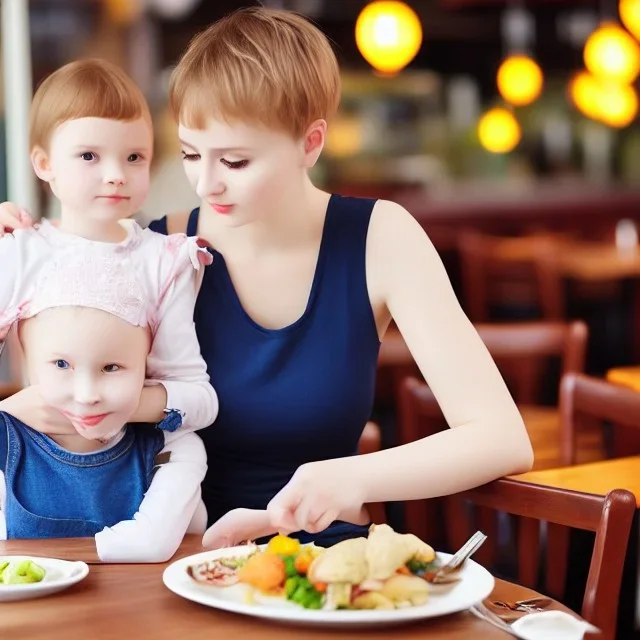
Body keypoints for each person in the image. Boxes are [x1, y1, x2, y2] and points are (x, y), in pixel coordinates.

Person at [0, 8, 533, 548]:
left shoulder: (379, 238)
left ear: (310, 143)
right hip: (172, 560)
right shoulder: (154, 257)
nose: (206, 184)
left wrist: (342, 477)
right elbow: (64, 396)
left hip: (322, 561)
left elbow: (500, 438)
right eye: (189, 154)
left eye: (234, 161)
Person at [0, 59, 217, 561]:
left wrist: (111, 406)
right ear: (44, 164)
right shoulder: (20, 252)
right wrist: (15, 411)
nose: (116, 175)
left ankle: (138, 543)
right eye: (89, 156)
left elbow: (199, 398)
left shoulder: (164, 260)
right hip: (32, 455)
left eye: (135, 156)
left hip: (130, 461)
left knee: (188, 450)